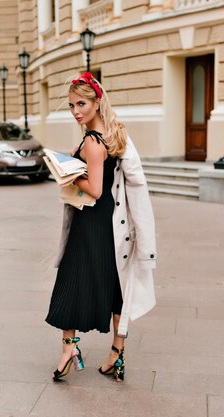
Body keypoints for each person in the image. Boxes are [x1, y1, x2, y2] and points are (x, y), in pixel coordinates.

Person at [45, 72, 157, 382]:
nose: (76, 111)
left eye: (81, 103)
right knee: (113, 288)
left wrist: (66, 173)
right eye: (71, 105)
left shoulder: (94, 142)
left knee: (70, 281)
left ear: (97, 102)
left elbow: (93, 188)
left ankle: (69, 348)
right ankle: (116, 355)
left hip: (92, 220)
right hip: (107, 222)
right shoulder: (109, 134)